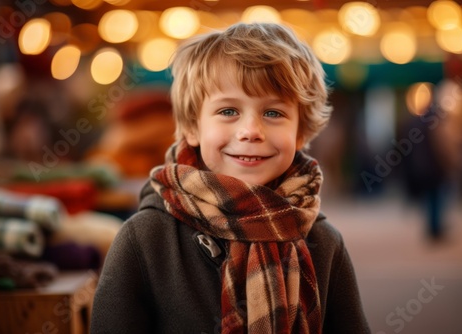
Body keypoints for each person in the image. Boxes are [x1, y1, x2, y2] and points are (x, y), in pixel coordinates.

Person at [90, 22, 370, 333]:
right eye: (228, 111)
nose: (251, 130)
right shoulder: (144, 239)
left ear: (301, 131)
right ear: (193, 127)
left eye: (273, 113)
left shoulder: (324, 242)